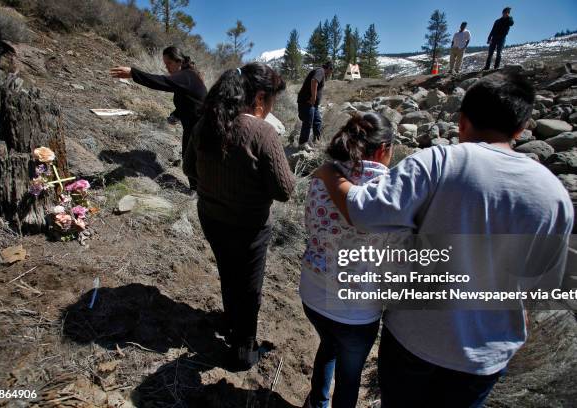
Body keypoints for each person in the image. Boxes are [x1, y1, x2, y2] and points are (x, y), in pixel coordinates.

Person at [314, 73, 573, 407]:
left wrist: (332, 174)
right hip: (485, 355)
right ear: (520, 128)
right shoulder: (554, 195)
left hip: (415, 338)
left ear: (462, 121)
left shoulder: (438, 163)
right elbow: (541, 288)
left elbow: (362, 212)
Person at [183, 62, 295, 370]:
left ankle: (231, 321)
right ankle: (244, 350)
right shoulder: (262, 132)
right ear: (260, 98)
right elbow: (284, 190)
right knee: (249, 287)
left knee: (228, 272)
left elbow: (189, 169)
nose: (271, 107)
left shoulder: (207, 122)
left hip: (211, 216)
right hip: (249, 227)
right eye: (271, 101)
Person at [300, 113, 407, 408]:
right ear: (384, 148)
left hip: (312, 292)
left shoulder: (325, 176)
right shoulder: (394, 189)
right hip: (356, 310)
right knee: (350, 376)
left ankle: (317, 402)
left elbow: (310, 225)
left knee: (328, 344)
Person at [110, 46, 207, 191]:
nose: (166, 67)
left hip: (203, 129)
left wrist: (134, 73)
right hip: (193, 127)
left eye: (168, 63)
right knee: (190, 163)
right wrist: (176, 115)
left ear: (178, 61)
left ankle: (202, 194)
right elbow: (189, 102)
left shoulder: (187, 75)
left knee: (195, 164)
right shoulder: (186, 77)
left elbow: (162, 82)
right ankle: (196, 192)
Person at [297, 61, 334, 151]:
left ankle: (316, 141)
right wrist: (313, 97)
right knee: (308, 121)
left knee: (317, 121)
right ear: (329, 68)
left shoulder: (321, 72)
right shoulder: (320, 71)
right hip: (307, 102)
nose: (330, 74)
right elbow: (314, 81)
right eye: (331, 71)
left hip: (313, 105)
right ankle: (303, 143)